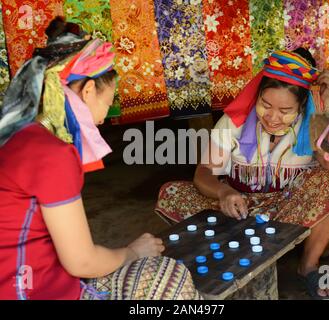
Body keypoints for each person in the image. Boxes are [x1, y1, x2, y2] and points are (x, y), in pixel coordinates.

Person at [0, 17, 202, 300]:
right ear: (88, 90)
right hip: (28, 291)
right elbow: (81, 261)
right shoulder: (50, 154)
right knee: (169, 278)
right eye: (108, 103)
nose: (105, 117)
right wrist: (131, 252)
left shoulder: (19, 137)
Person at [155, 49, 329, 300]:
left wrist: (328, 104)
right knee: (173, 192)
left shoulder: (311, 123)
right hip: (235, 208)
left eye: (285, 110)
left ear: (301, 108)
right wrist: (224, 191)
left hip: (285, 209)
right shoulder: (234, 121)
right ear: (256, 96)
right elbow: (203, 173)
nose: (273, 117)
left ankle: (308, 265)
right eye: (265, 105)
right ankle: (237, 248)